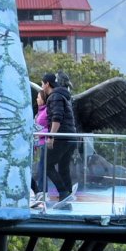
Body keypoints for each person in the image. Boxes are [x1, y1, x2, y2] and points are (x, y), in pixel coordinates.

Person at [41, 72, 76, 206]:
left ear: (47, 84)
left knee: (47, 165)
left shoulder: (54, 96)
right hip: (71, 136)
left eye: (42, 83)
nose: (41, 86)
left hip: (61, 137)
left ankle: (63, 192)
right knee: (63, 167)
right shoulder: (64, 96)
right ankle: (67, 192)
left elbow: (57, 117)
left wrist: (51, 136)